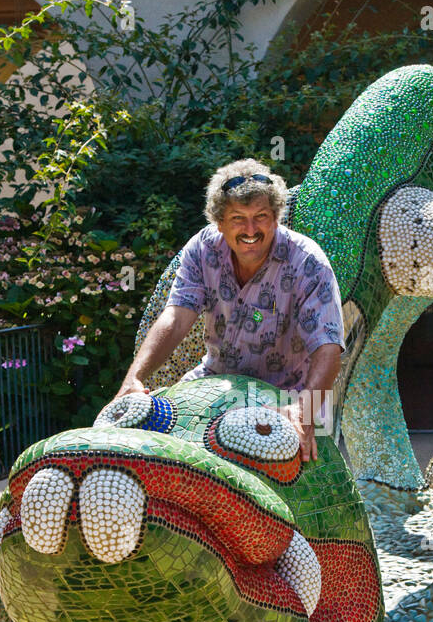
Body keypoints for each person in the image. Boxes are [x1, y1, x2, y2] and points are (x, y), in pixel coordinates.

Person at [113, 158, 344, 461]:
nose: (250, 229)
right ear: (219, 222)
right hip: (217, 381)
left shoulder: (308, 262)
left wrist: (303, 411)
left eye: (260, 216)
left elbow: (328, 347)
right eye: (238, 218)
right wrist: (134, 378)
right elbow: (176, 317)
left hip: (290, 393)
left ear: (276, 218)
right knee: (151, 445)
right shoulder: (203, 249)